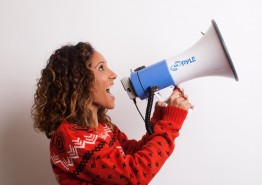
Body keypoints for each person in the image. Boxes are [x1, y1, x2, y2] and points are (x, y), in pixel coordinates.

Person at [31, 42, 193, 185]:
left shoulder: (103, 127)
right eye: (101, 67)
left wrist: (162, 116)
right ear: (78, 82)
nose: (113, 74)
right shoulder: (70, 137)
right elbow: (134, 175)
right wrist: (171, 124)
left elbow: (133, 152)